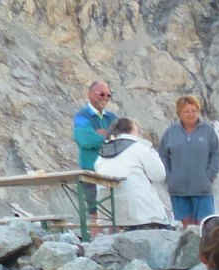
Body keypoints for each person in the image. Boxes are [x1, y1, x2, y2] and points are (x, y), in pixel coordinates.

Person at [93, 119, 172, 230]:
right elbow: (159, 175)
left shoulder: (101, 155)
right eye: (138, 131)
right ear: (131, 131)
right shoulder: (139, 148)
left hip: (109, 214)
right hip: (141, 213)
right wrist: (152, 151)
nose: (140, 134)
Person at [159, 95, 219, 227]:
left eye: (194, 110)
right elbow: (162, 156)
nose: (191, 114)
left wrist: (209, 176)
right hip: (178, 189)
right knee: (187, 228)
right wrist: (170, 176)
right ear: (179, 113)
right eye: (187, 111)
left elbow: (217, 156)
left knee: (204, 226)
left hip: (202, 189)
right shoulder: (171, 132)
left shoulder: (208, 131)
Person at [71, 80, 118, 221]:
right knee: (94, 215)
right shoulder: (82, 116)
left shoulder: (113, 117)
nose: (105, 98)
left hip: (112, 171)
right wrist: (109, 137)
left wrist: (102, 135)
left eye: (108, 95)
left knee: (116, 213)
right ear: (90, 94)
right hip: (91, 171)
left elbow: (122, 140)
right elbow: (86, 139)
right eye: (101, 94)